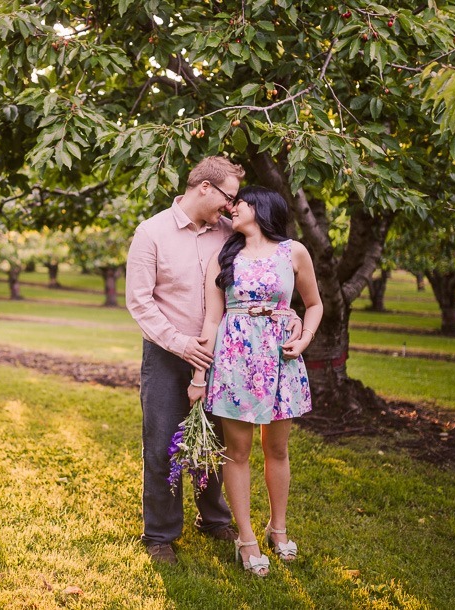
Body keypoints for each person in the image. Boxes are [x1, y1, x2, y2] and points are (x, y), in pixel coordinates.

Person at [126, 156, 300, 565]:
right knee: (163, 443)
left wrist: (284, 313)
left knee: (222, 445)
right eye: (228, 195)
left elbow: (263, 276)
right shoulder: (151, 233)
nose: (231, 205)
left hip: (229, 355)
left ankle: (216, 519)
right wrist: (181, 344)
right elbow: (139, 301)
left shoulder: (231, 232)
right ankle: (161, 534)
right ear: (204, 187)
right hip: (168, 353)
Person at [187, 185, 322, 578]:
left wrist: (305, 338)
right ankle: (245, 537)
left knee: (277, 449)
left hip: (281, 359)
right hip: (235, 361)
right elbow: (212, 320)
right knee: (238, 451)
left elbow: (313, 304)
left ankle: (277, 528)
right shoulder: (224, 256)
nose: (232, 209)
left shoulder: (293, 251)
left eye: (239, 203)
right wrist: (200, 373)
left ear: (261, 209)